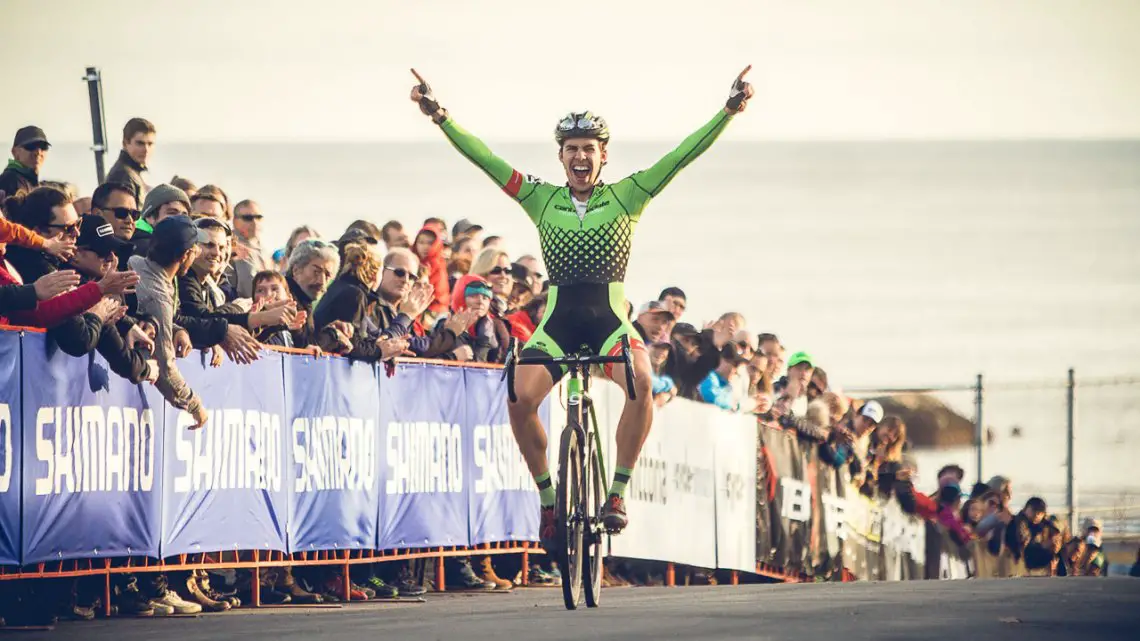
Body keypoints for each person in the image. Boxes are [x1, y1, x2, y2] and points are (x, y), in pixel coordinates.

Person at [411, 64, 754, 537]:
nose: (580, 157)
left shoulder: (628, 195)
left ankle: (617, 492)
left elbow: (679, 157)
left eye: (588, 149)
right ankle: (549, 501)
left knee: (643, 382)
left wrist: (729, 111)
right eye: (572, 149)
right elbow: (487, 161)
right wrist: (440, 116)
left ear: (603, 155)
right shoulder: (540, 198)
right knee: (517, 397)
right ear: (561, 156)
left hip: (609, 323)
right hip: (558, 324)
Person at [129, 215, 208, 429]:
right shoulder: (158, 297)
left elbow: (145, 312)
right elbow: (165, 366)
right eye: (195, 249)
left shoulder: (135, 261)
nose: (199, 253)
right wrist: (194, 405)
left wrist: (175, 327)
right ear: (185, 256)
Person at [285, 239, 339, 346]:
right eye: (316, 272)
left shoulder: (303, 300)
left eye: (328, 275)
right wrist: (334, 335)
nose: (322, 281)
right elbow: (305, 346)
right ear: (296, 270)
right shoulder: (286, 299)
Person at [132, 184, 191, 260]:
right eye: (172, 213)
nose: (180, 219)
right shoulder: (148, 250)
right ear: (150, 217)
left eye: (184, 216)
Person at [89, 181, 140, 270]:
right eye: (121, 212)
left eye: (134, 214)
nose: (130, 220)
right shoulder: (83, 254)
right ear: (97, 213)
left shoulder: (140, 254)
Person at [231, 199, 274, 298]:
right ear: (234, 221)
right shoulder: (233, 245)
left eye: (258, 217)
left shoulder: (262, 248)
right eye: (247, 218)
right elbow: (249, 289)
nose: (254, 222)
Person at [105, 118, 156, 202]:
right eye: (140, 143)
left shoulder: (132, 173)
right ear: (125, 143)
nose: (146, 150)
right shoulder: (122, 175)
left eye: (150, 144)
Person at [1, 126, 50, 198]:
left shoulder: (28, 180)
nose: (38, 152)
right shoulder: (11, 180)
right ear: (15, 152)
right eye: (31, 146)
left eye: (43, 146)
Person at [698, 344, 748, 411]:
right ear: (722, 360)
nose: (735, 370)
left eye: (737, 366)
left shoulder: (729, 385)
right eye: (734, 364)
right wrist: (734, 404)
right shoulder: (709, 377)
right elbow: (713, 399)